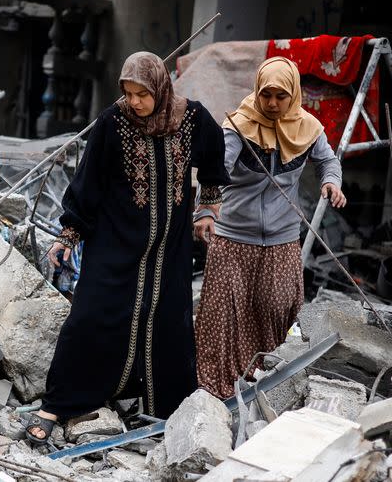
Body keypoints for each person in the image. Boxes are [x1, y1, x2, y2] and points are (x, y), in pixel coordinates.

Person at [25, 51, 229, 444]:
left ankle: (163, 411)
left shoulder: (189, 117)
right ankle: (56, 405)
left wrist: (207, 206)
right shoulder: (112, 123)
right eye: (128, 92)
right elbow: (88, 184)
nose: (134, 102)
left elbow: (214, 152)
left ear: (160, 89)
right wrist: (69, 234)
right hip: (114, 245)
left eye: (142, 94)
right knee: (89, 318)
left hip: (168, 251)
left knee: (169, 325)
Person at [193, 56, 346, 400]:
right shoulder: (237, 126)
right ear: (257, 93)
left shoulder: (308, 127)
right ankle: (217, 391)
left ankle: (269, 385)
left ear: (292, 94)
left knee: (276, 307)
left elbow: (327, 160)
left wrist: (331, 182)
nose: (273, 104)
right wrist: (205, 210)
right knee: (225, 315)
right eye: (267, 96)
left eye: (280, 96)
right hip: (233, 235)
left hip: (282, 237)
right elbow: (216, 169)